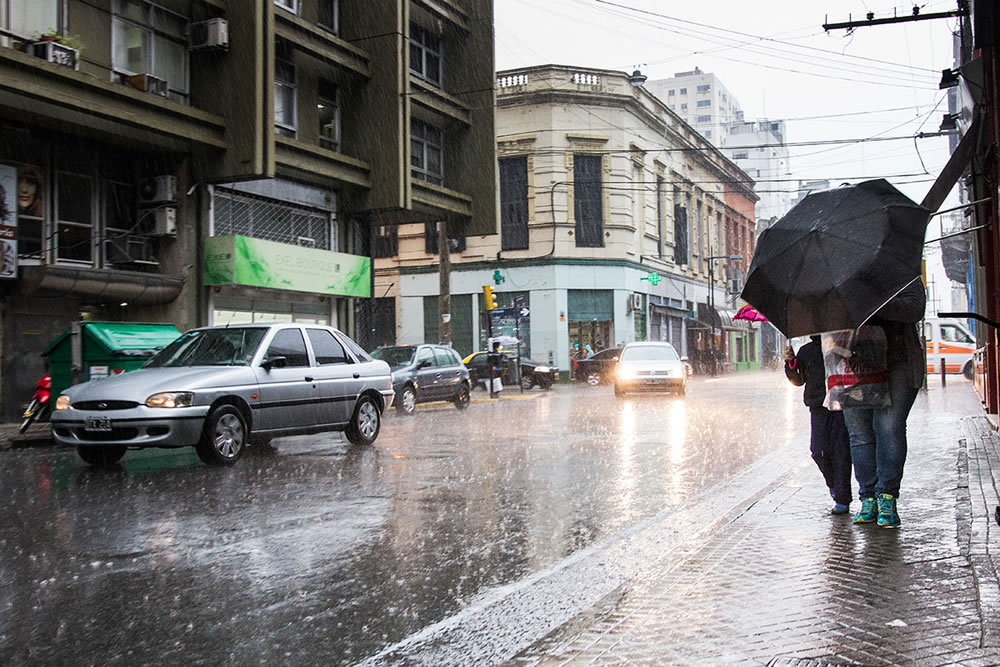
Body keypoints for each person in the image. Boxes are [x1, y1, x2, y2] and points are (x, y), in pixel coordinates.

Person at [842, 280, 925, 528]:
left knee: (888, 428)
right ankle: (868, 497)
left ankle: (887, 495)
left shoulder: (901, 271)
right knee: (860, 434)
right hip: (853, 362)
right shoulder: (839, 276)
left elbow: (913, 308)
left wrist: (872, 302)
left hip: (897, 363)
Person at [785, 336, 853, 514]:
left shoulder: (842, 345)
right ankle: (833, 485)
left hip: (841, 406)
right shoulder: (807, 350)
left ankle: (842, 497)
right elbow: (798, 380)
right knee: (818, 451)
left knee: (841, 452)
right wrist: (791, 363)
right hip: (818, 407)